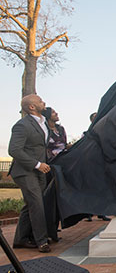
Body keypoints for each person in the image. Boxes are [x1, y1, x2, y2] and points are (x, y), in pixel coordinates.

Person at [8, 94, 51, 253]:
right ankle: (41, 241)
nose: (43, 101)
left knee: (31, 204)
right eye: (40, 100)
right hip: (25, 171)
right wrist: (37, 164)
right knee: (37, 204)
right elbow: (14, 150)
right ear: (31, 107)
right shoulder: (22, 125)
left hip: (39, 171)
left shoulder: (43, 123)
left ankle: (20, 239)